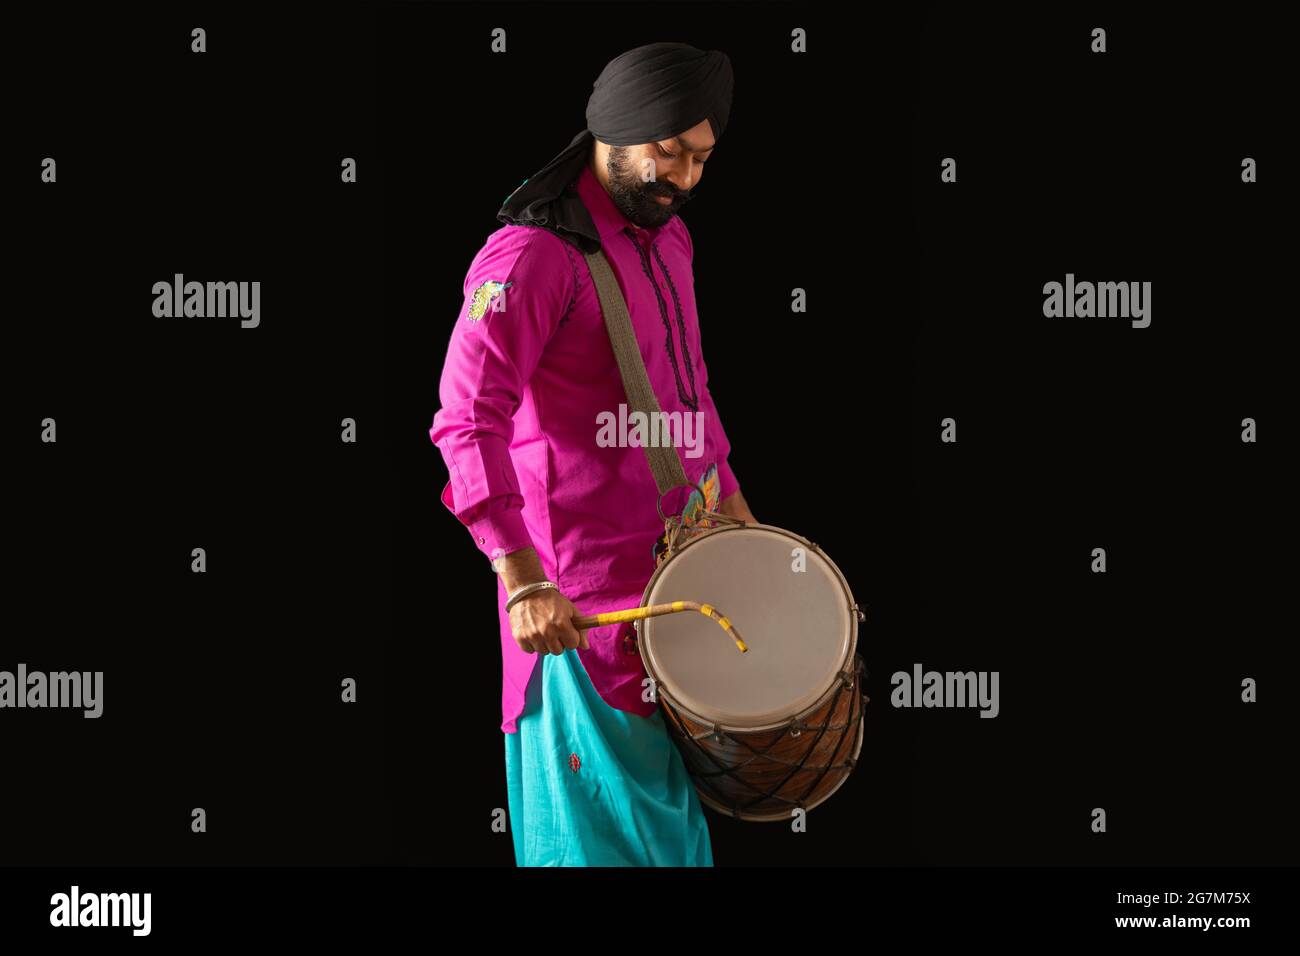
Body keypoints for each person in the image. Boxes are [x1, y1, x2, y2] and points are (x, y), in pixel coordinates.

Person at [429, 41, 756, 867]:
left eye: (701, 158)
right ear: (614, 132)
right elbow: (468, 420)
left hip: (676, 587)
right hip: (579, 607)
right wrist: (522, 578)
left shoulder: (668, 240)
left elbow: (690, 398)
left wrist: (740, 516)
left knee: (671, 841)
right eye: (669, 153)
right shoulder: (532, 257)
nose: (683, 178)